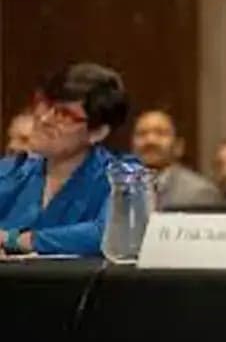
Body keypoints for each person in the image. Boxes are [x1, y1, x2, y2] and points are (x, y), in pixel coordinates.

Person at [0, 63, 134, 255]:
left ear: (97, 132)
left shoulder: (123, 175)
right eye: (45, 105)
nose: (45, 119)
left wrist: (17, 240)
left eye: (64, 114)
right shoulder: (12, 170)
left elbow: (112, 233)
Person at [132, 110, 221, 210]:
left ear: (179, 146)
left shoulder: (200, 193)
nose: (150, 140)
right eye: (142, 134)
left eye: (160, 133)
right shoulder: (117, 189)